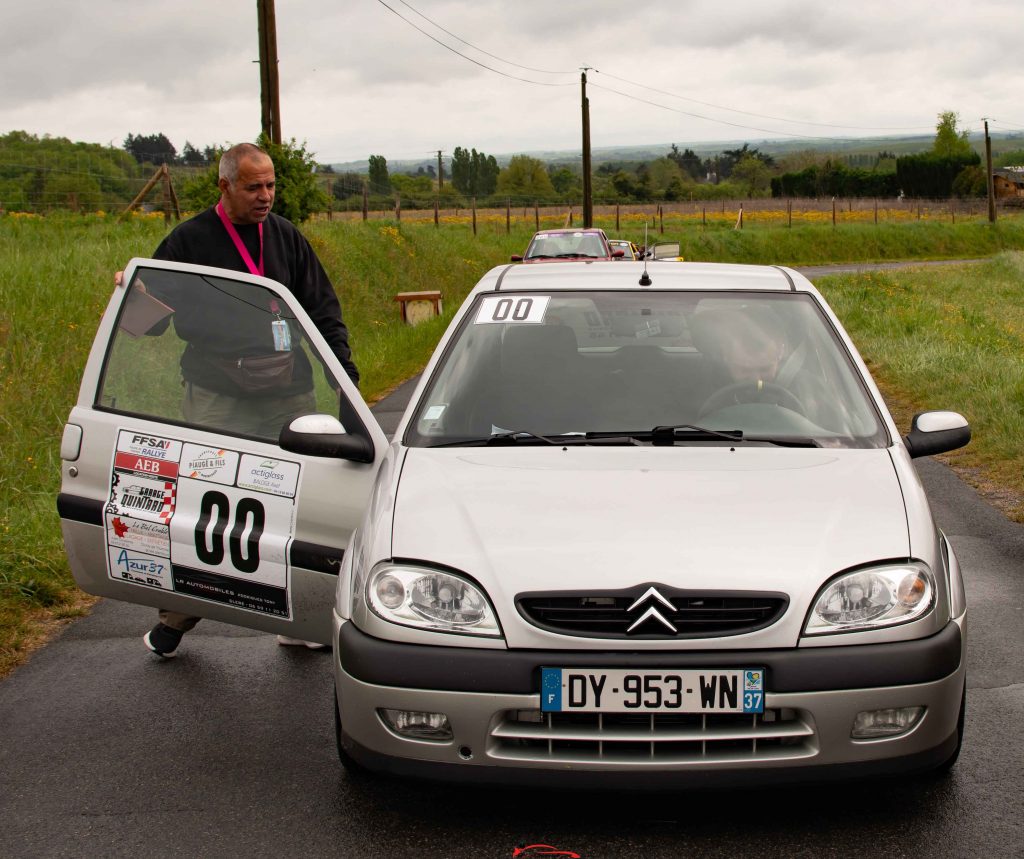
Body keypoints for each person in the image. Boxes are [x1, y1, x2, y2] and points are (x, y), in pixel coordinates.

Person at [122, 142, 357, 658]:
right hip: (216, 395)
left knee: (295, 508)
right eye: (254, 186)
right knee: (210, 511)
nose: (266, 195)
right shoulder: (188, 240)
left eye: (271, 184)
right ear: (224, 186)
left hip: (286, 391)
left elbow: (322, 308)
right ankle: (176, 620)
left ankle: (298, 622)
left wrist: (344, 376)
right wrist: (132, 295)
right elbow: (146, 327)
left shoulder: (286, 237)